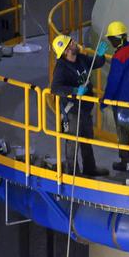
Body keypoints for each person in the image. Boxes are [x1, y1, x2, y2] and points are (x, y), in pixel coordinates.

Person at [92, 20, 129, 179]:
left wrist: (105, 100)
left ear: (117, 39)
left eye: (111, 39)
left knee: (125, 130)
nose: (110, 42)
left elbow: (114, 81)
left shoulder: (120, 57)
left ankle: (126, 160)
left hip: (123, 101)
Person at [48, 34, 102, 178]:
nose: (74, 42)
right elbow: (55, 88)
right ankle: (72, 173)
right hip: (72, 111)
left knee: (86, 139)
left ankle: (90, 168)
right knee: (73, 141)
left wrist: (100, 56)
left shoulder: (81, 59)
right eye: (71, 42)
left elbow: (94, 64)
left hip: (85, 108)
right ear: (66, 50)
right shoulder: (62, 68)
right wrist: (74, 91)